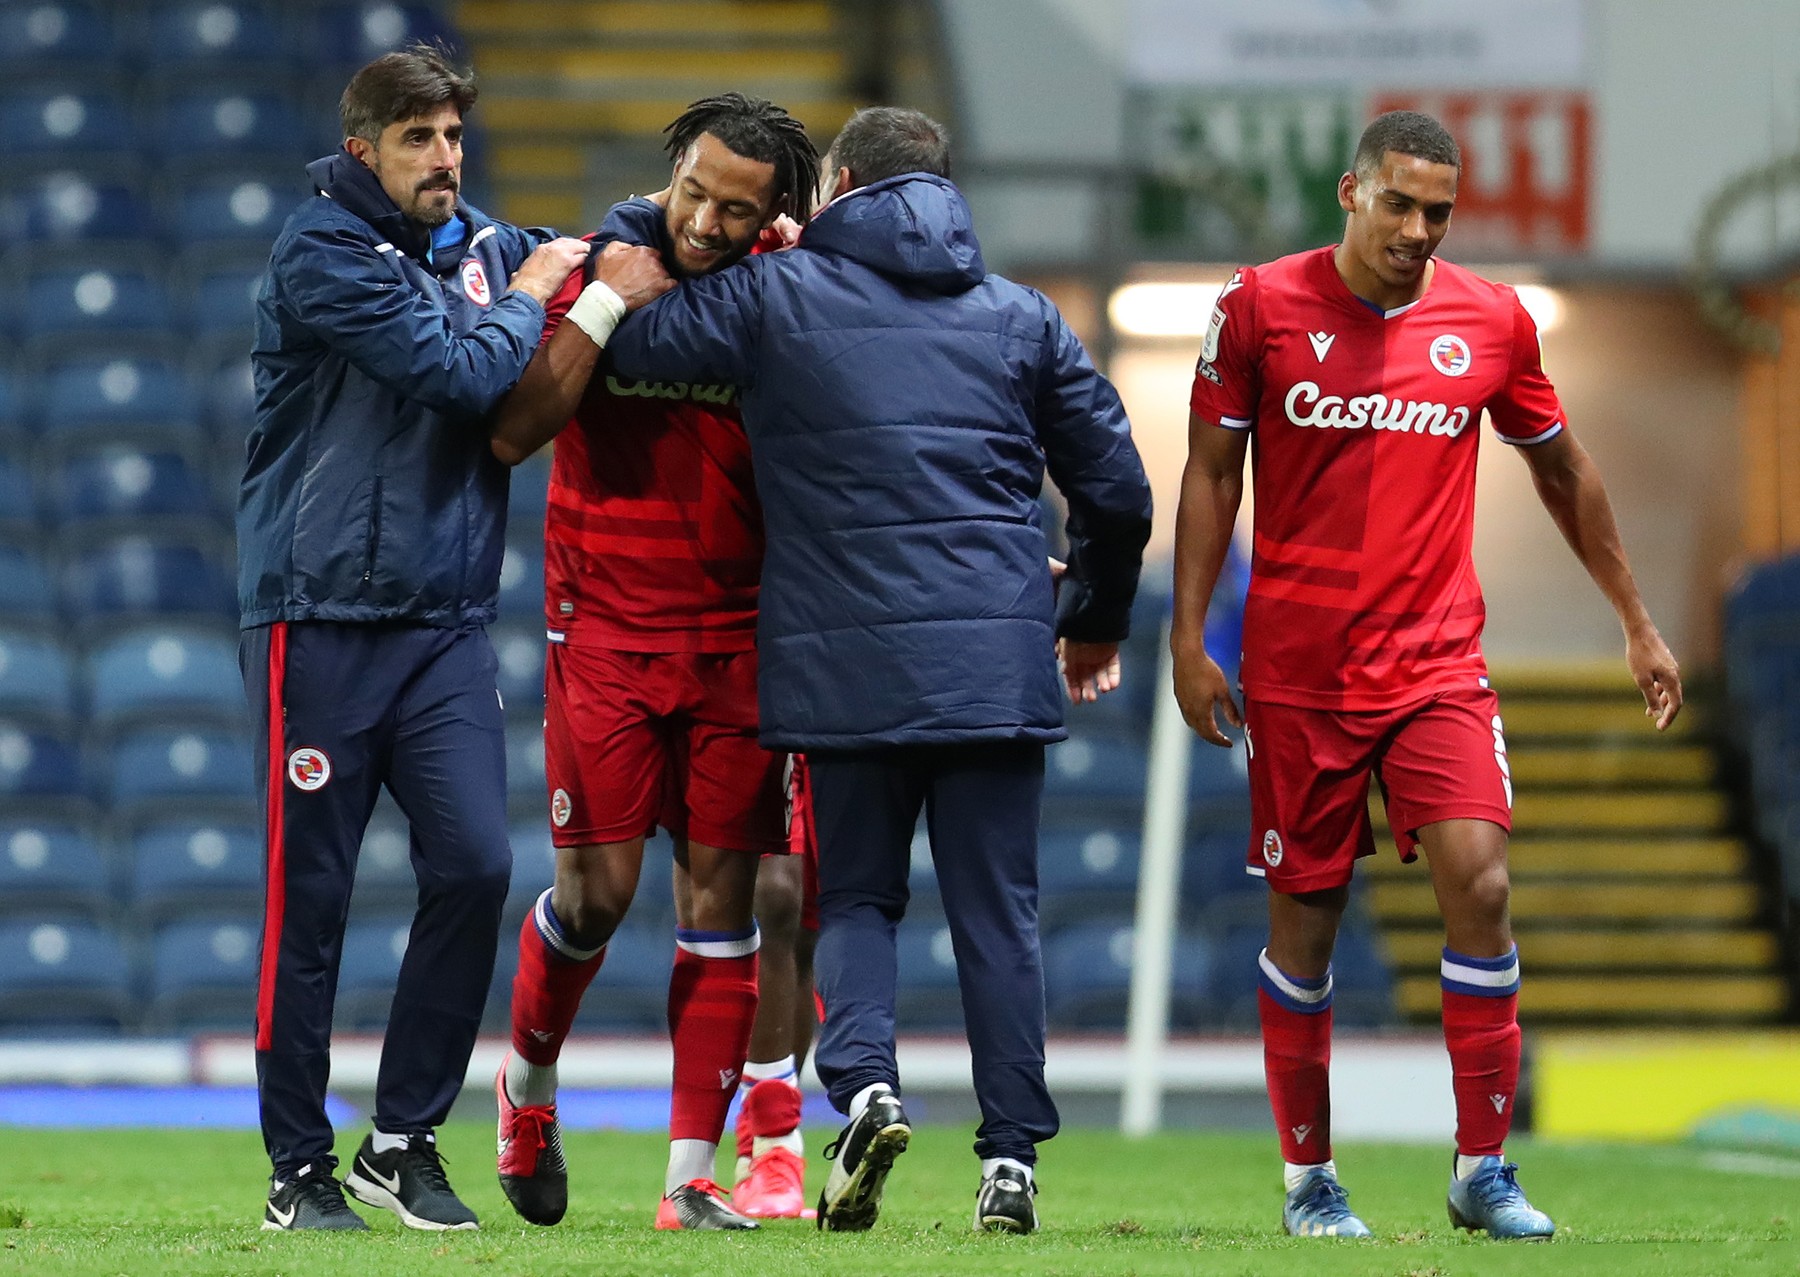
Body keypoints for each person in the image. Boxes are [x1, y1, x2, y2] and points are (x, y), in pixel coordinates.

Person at [601, 106, 1155, 1235]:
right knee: (1001, 912)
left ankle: (863, 1086)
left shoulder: (777, 295)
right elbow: (1121, 489)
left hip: (844, 667)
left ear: (839, 182)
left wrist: (634, 242)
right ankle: (1009, 1163)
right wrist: (1094, 615)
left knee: (853, 897)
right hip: (997, 658)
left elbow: (638, 344)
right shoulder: (1020, 316)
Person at [1170, 109, 1683, 1241]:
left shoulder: (1492, 321)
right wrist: (1189, 636)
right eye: (1398, 202)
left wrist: (1637, 622)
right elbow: (1212, 473)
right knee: (1305, 925)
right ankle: (1310, 1178)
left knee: (1482, 885)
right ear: (1350, 193)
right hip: (1297, 674)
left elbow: (1565, 470)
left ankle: (1481, 1166)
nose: (1416, 228)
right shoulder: (1257, 305)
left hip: (1436, 662)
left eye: (1437, 212)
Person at [238, 43, 667, 1233]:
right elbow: (462, 371)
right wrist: (547, 293)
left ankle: (402, 1139)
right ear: (365, 145)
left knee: (477, 866)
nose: (445, 159)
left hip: (441, 621)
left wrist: (667, 222)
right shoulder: (321, 250)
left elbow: (592, 239)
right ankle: (296, 1166)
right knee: (307, 901)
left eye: (455, 138)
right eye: (421, 138)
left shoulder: (476, 241)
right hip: (314, 616)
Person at [486, 93, 821, 1231]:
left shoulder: (787, 289)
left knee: (724, 900)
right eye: (695, 191)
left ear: (774, 213)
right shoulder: (595, 265)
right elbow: (518, 425)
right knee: (597, 895)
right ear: (670, 168)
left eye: (738, 208)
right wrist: (602, 309)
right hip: (607, 629)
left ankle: (690, 1177)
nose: (708, 221)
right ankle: (526, 1085)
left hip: (738, 634)